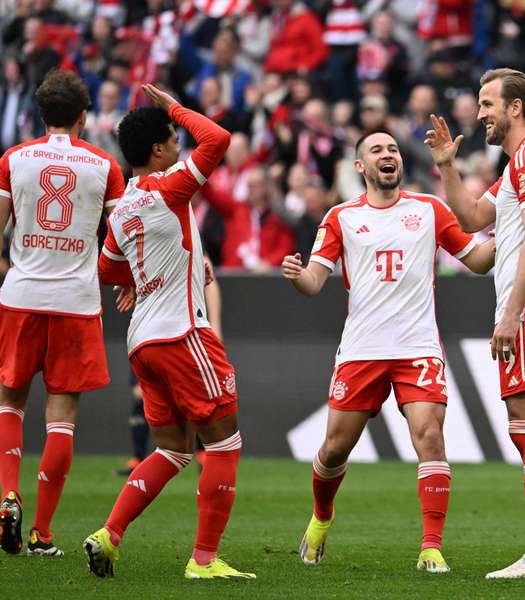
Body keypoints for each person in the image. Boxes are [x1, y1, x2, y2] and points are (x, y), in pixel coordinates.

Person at [282, 129, 495, 574]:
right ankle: (322, 517)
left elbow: (477, 261)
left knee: (431, 438)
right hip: (362, 350)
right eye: (376, 150)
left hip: (417, 348)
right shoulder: (341, 217)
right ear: (360, 167)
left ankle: (431, 548)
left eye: (393, 149)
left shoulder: (430, 209)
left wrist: (521, 228)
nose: (388, 155)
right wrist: (296, 275)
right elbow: (314, 282)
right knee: (334, 450)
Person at [84, 84, 254, 581]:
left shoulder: (124, 209)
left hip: (142, 342)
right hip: (182, 333)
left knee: (172, 449)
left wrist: (143, 280)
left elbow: (107, 268)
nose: (179, 141)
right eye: (171, 136)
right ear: (158, 150)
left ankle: (108, 535)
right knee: (223, 445)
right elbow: (217, 139)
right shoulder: (168, 186)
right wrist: (174, 107)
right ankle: (204, 560)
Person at [426, 68, 525, 579]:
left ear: (514, 108)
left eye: (487, 104)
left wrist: (511, 314)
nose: (480, 114)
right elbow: (473, 217)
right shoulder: (521, 162)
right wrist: (447, 168)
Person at [0, 70, 124, 557]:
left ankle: (8, 495)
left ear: (37, 114)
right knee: (62, 419)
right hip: (75, 299)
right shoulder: (104, 166)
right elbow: (120, 235)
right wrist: (126, 280)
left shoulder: (14, 159)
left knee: (10, 402)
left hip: (22, 295)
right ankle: (42, 534)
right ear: (83, 116)